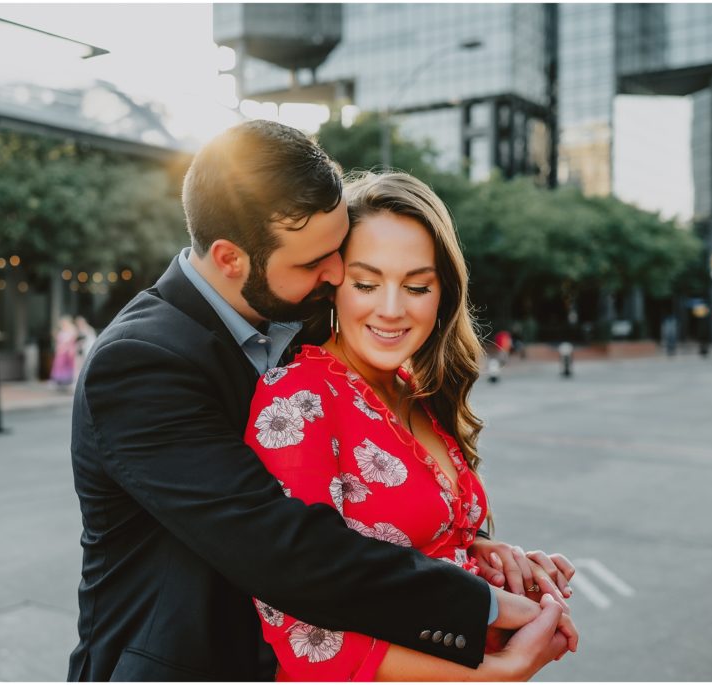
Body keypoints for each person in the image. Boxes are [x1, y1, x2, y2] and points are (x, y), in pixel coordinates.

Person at [68, 120, 570, 681]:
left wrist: (474, 553)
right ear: (231, 259)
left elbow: (380, 506)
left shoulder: (296, 320)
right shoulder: (141, 361)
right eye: (315, 263)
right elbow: (284, 550)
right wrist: (484, 613)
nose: (334, 275)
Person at [244, 172, 576, 680]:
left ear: (444, 293)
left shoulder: (415, 390)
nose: (391, 309)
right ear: (333, 285)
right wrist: (491, 675)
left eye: (417, 286)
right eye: (366, 284)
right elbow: (297, 624)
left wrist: (492, 562)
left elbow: (423, 547)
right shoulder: (296, 399)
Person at [49, 316, 78, 390]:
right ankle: (59, 381)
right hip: (61, 351)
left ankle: (67, 381)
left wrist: (65, 348)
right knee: (59, 365)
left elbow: (70, 341)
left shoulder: (71, 330)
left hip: (67, 352)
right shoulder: (62, 331)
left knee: (66, 366)